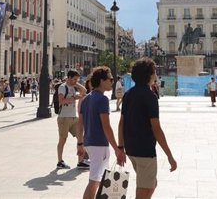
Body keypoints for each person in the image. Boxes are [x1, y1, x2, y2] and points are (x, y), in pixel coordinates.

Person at [118, 58, 177, 199]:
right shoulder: (150, 96)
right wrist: (169, 155)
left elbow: (121, 123)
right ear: (149, 75)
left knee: (151, 184)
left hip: (131, 149)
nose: (156, 75)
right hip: (145, 151)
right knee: (144, 191)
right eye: (154, 72)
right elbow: (156, 129)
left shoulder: (128, 94)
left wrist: (120, 148)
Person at [79, 66, 126, 199]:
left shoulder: (86, 98)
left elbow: (80, 123)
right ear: (101, 81)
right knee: (94, 180)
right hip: (99, 144)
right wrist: (117, 149)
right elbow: (106, 126)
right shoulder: (102, 99)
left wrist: (80, 143)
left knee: (97, 179)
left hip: (89, 142)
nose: (112, 81)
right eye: (110, 79)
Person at [56, 69, 88, 170]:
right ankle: (60, 161)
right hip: (64, 117)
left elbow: (85, 91)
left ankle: (81, 161)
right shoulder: (62, 87)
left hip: (73, 118)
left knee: (81, 138)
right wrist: (74, 98)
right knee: (63, 139)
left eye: (77, 79)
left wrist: (76, 84)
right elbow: (61, 101)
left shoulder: (74, 87)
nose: (75, 81)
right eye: (74, 79)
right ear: (68, 77)